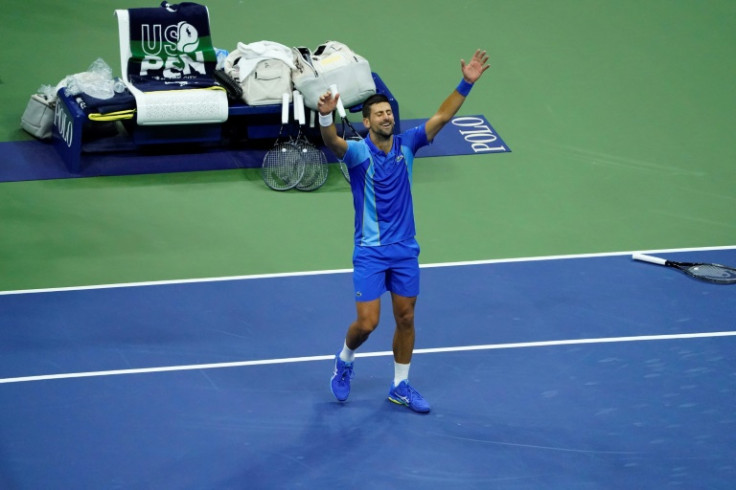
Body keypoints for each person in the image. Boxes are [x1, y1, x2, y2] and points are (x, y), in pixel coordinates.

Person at [317, 49, 490, 413]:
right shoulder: (358, 154)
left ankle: (400, 385)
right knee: (368, 323)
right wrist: (326, 115)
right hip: (370, 250)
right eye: (378, 114)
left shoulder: (408, 143)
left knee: (406, 317)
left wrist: (466, 83)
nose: (386, 117)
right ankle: (345, 359)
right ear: (366, 122)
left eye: (389, 112)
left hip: (405, 249)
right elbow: (332, 141)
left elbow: (442, 116)